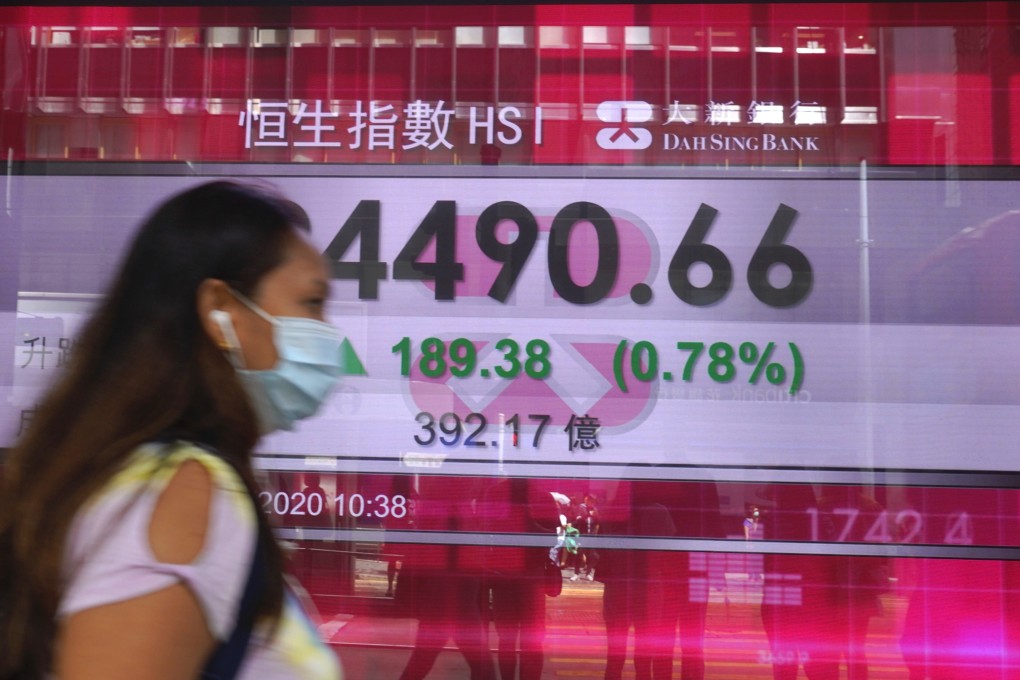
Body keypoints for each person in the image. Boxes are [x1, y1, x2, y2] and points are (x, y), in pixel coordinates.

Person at [0, 181, 343, 679]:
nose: (329, 336)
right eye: (311, 303)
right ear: (220, 309)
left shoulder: (124, 471)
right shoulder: (184, 488)